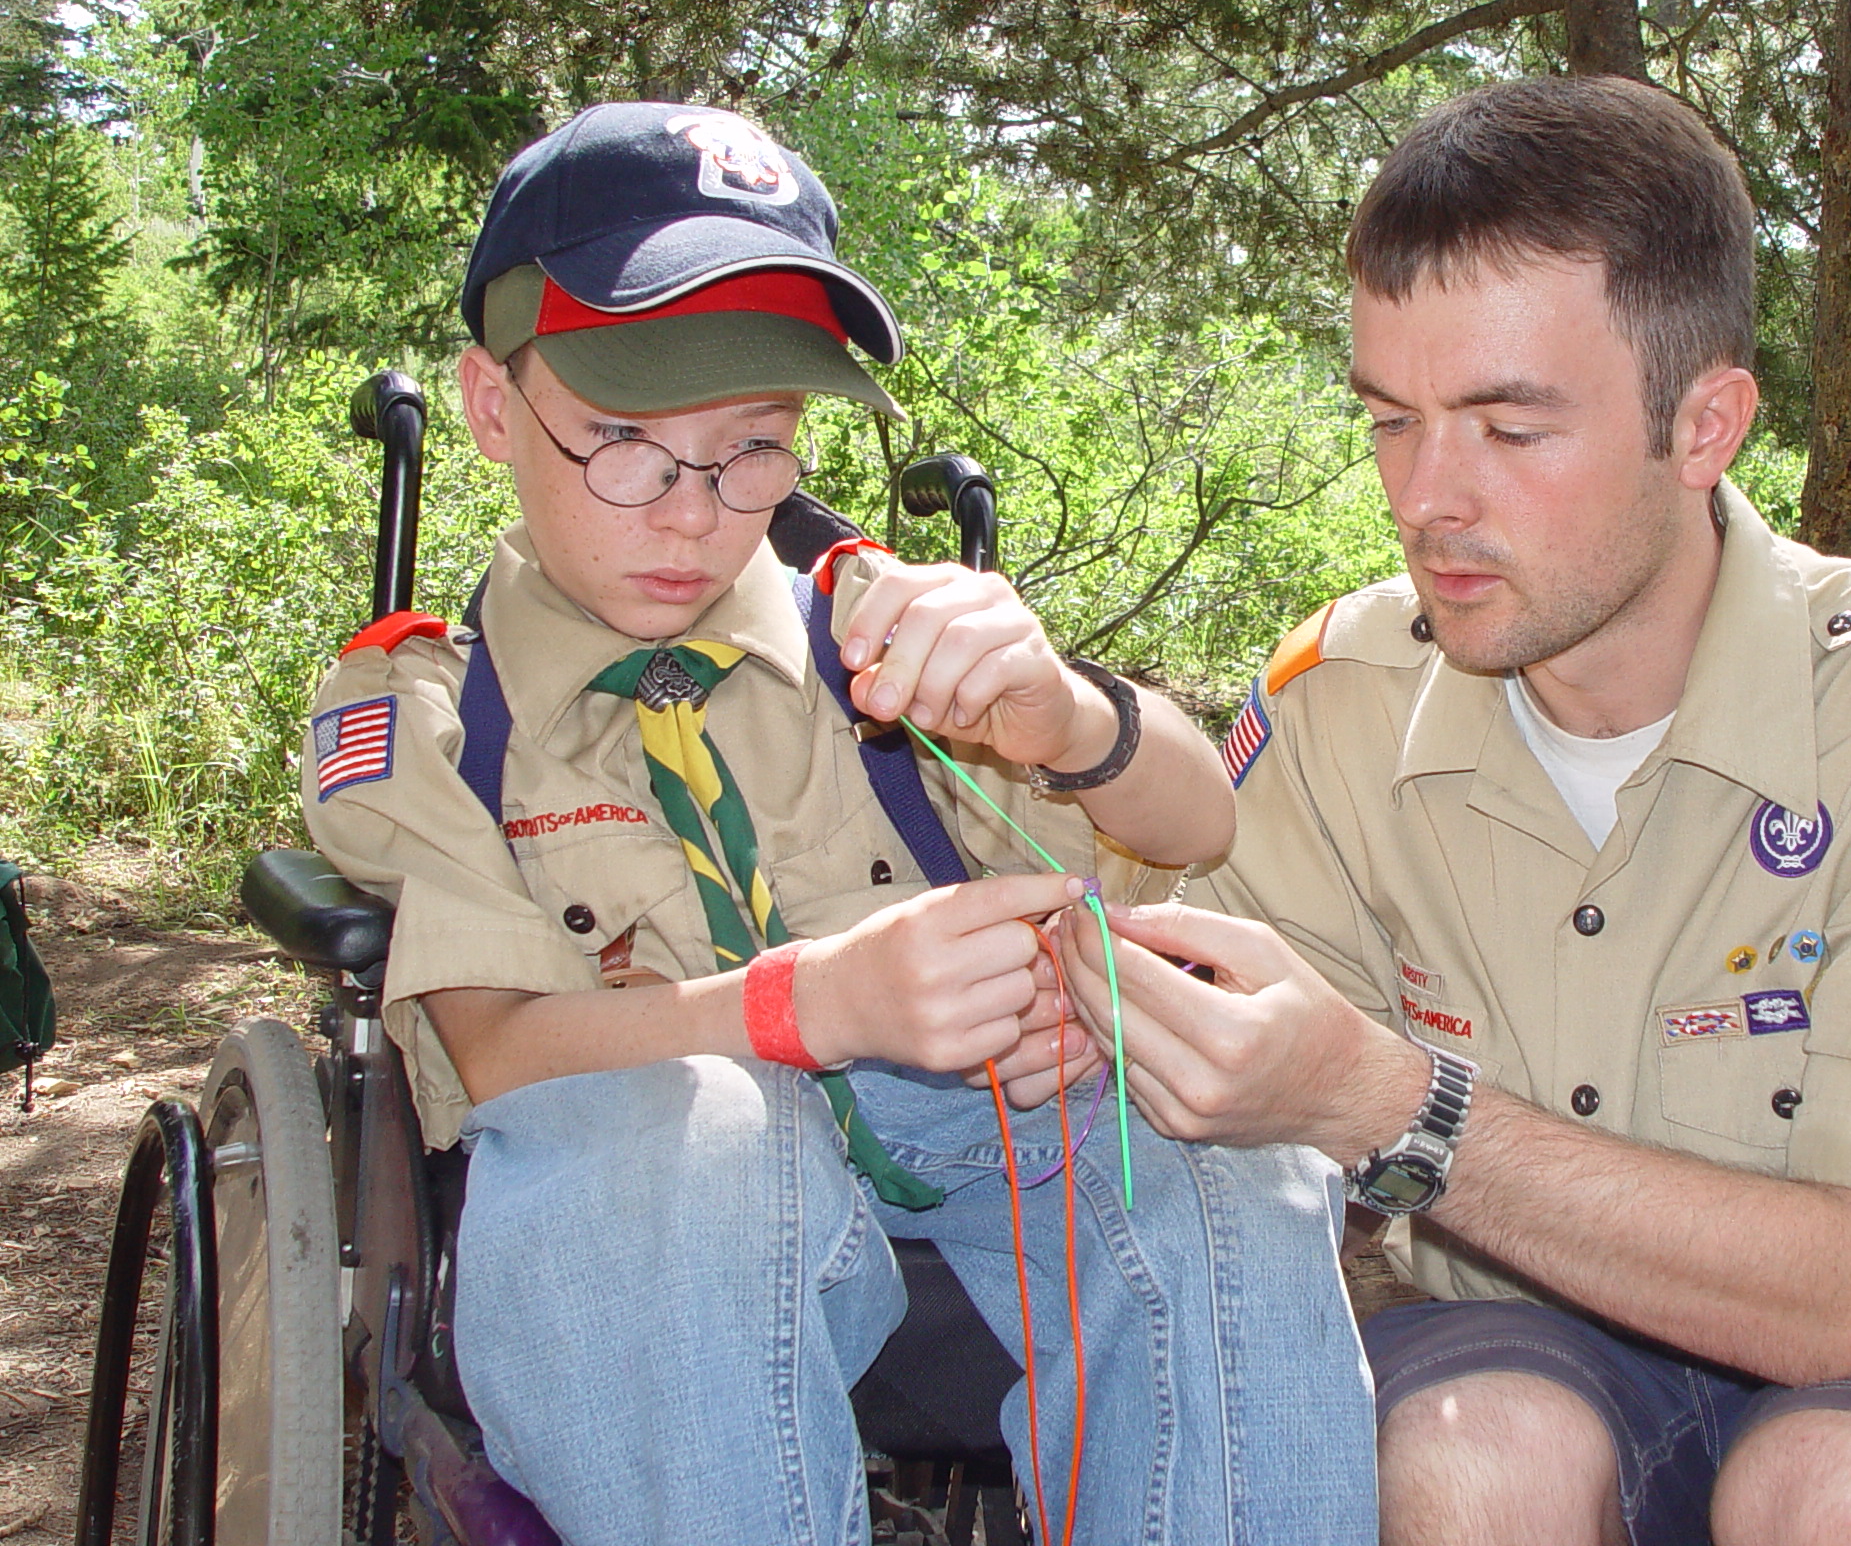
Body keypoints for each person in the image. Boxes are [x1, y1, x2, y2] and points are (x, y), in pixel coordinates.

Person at [1058, 77, 1851, 1546]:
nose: (1427, 498)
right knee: (1471, 1462)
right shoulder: (1336, 702)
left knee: (1846, 1496)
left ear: (1703, 425)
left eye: (1509, 432)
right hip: (1510, 1337)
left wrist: (1389, 1102)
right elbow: (1169, 1092)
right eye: (1393, 421)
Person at [300, 102, 1375, 1546]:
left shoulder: (873, 626)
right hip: (662, 1148)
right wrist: (820, 1003)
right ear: (493, 406)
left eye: (755, 448)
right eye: (623, 443)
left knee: (1234, 1160)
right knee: (701, 1150)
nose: (693, 514)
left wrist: (1066, 715)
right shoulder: (431, 712)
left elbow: (1193, 816)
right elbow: (496, 1044)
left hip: (969, 1125)